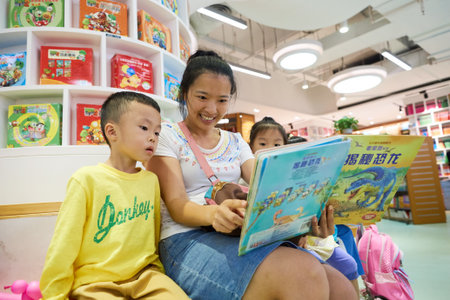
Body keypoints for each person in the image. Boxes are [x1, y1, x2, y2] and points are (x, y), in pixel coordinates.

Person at [146, 50, 358, 300]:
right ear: (183, 94)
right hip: (184, 239)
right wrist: (214, 214)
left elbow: (270, 187)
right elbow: (178, 205)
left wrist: (307, 219)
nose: (212, 109)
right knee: (303, 273)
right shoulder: (167, 135)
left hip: (237, 235)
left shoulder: (236, 141)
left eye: (222, 100)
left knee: (341, 286)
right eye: (202, 97)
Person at [40, 91, 189, 300]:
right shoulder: (85, 180)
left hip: (146, 277)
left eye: (157, 132)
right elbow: (63, 245)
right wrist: (55, 296)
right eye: (144, 128)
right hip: (95, 284)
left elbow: (153, 235)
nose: (152, 138)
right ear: (112, 132)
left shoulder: (151, 181)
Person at [249, 116, 363, 294]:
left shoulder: (298, 179)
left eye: (277, 145)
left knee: (348, 265)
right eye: (262, 144)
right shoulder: (248, 180)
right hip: (276, 247)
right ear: (251, 148)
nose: (270, 149)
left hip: (306, 239)